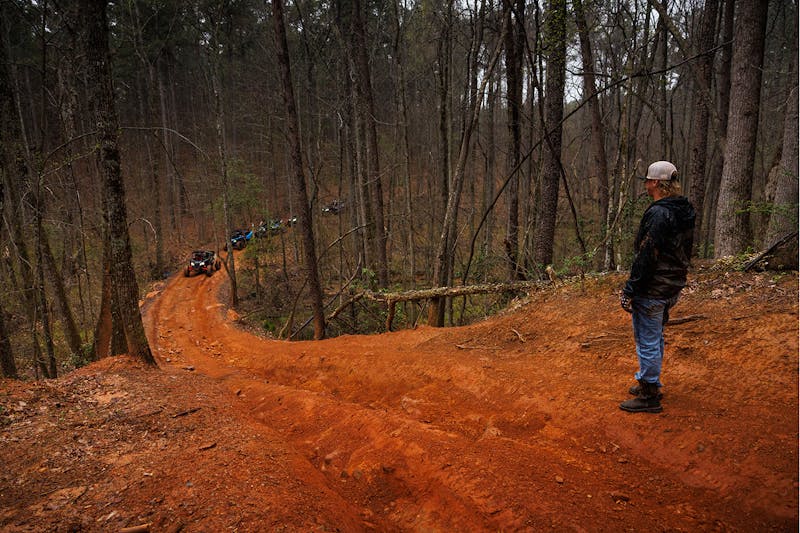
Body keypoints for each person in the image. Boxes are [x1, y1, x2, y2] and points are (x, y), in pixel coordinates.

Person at [619, 161, 695, 413]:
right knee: (655, 335)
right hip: (672, 283)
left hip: (654, 285)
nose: (645, 183)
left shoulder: (659, 213)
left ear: (656, 183)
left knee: (647, 338)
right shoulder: (682, 210)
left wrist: (631, 288)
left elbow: (647, 253)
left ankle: (649, 393)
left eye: (648, 180)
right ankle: (647, 380)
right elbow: (685, 250)